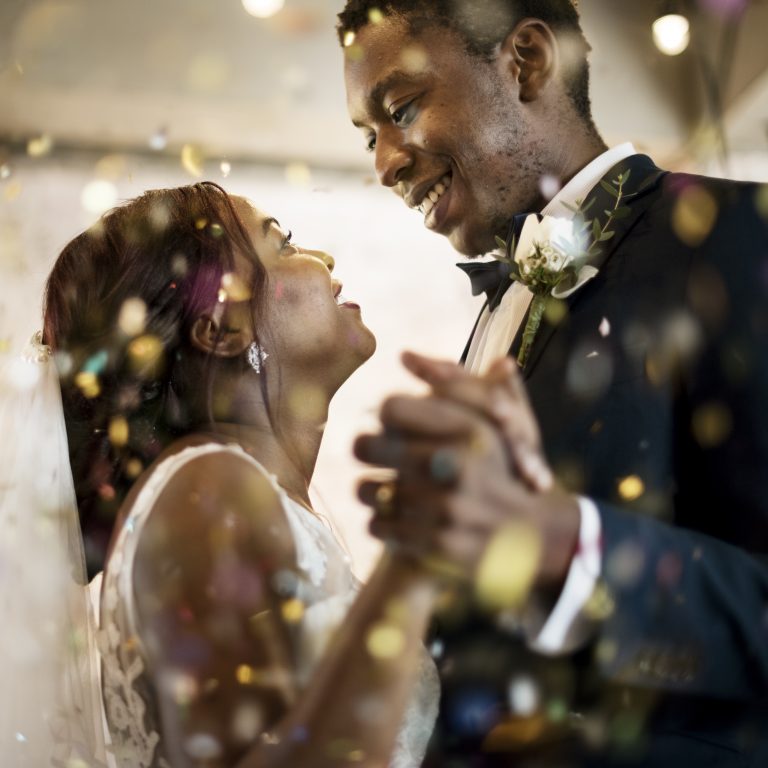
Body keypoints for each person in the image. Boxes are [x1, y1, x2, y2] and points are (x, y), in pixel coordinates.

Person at [338, 1, 768, 766]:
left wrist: (571, 548)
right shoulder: (497, 312)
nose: (385, 162)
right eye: (370, 139)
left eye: (400, 110)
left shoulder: (737, 238)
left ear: (527, 61)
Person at [5, 182, 442, 767]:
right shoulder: (208, 496)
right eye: (283, 246)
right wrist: (412, 564)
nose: (325, 260)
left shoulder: (238, 497)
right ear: (221, 329)